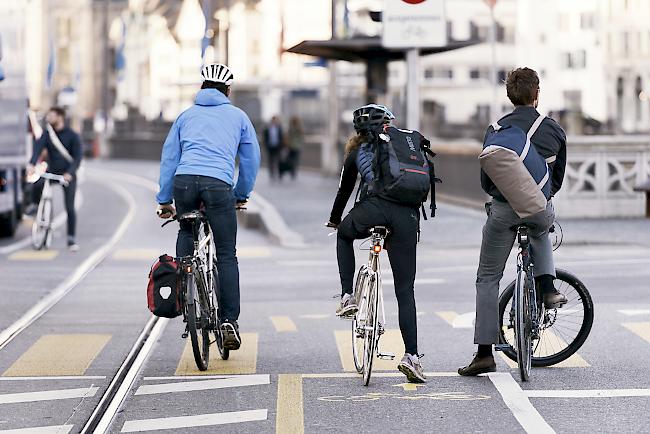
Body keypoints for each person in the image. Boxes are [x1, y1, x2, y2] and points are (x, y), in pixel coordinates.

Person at [458, 67, 568, 376]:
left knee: (488, 277)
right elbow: (557, 178)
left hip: (503, 210)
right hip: (538, 208)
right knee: (541, 227)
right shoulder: (553, 129)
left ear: (509, 95)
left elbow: (486, 178)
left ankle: (483, 353)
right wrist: (536, 198)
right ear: (537, 93)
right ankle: (547, 288)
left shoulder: (497, 128)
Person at [326, 104, 434, 384]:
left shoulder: (356, 152)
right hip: (407, 217)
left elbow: (344, 190)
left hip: (372, 210)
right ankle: (412, 356)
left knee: (345, 236)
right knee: (405, 290)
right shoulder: (405, 144)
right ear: (388, 124)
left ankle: (348, 295)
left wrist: (335, 220)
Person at [156, 63, 261, 351]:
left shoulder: (185, 116)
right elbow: (251, 161)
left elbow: (170, 159)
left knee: (186, 229)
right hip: (218, 186)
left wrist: (165, 200)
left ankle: (184, 281)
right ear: (228, 91)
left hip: (184, 183)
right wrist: (241, 194)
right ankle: (229, 320)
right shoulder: (238, 117)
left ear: (201, 88)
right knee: (227, 254)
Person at [27, 106, 82, 251]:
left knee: (70, 207)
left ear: (60, 117)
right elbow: (37, 148)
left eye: (51, 115)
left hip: (67, 175)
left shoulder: (72, 136)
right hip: (52, 172)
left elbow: (77, 158)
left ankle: (71, 239)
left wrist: (70, 173)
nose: (48, 118)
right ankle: (34, 205)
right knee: (37, 183)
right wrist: (32, 164)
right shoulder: (47, 134)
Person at [263, 116, 284, 181]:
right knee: (271, 160)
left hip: (278, 147)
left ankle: (280, 173)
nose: (274, 121)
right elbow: (265, 138)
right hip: (270, 147)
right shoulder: (267, 128)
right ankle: (272, 173)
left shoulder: (279, 128)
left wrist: (282, 146)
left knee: (279, 160)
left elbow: (282, 137)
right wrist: (266, 145)